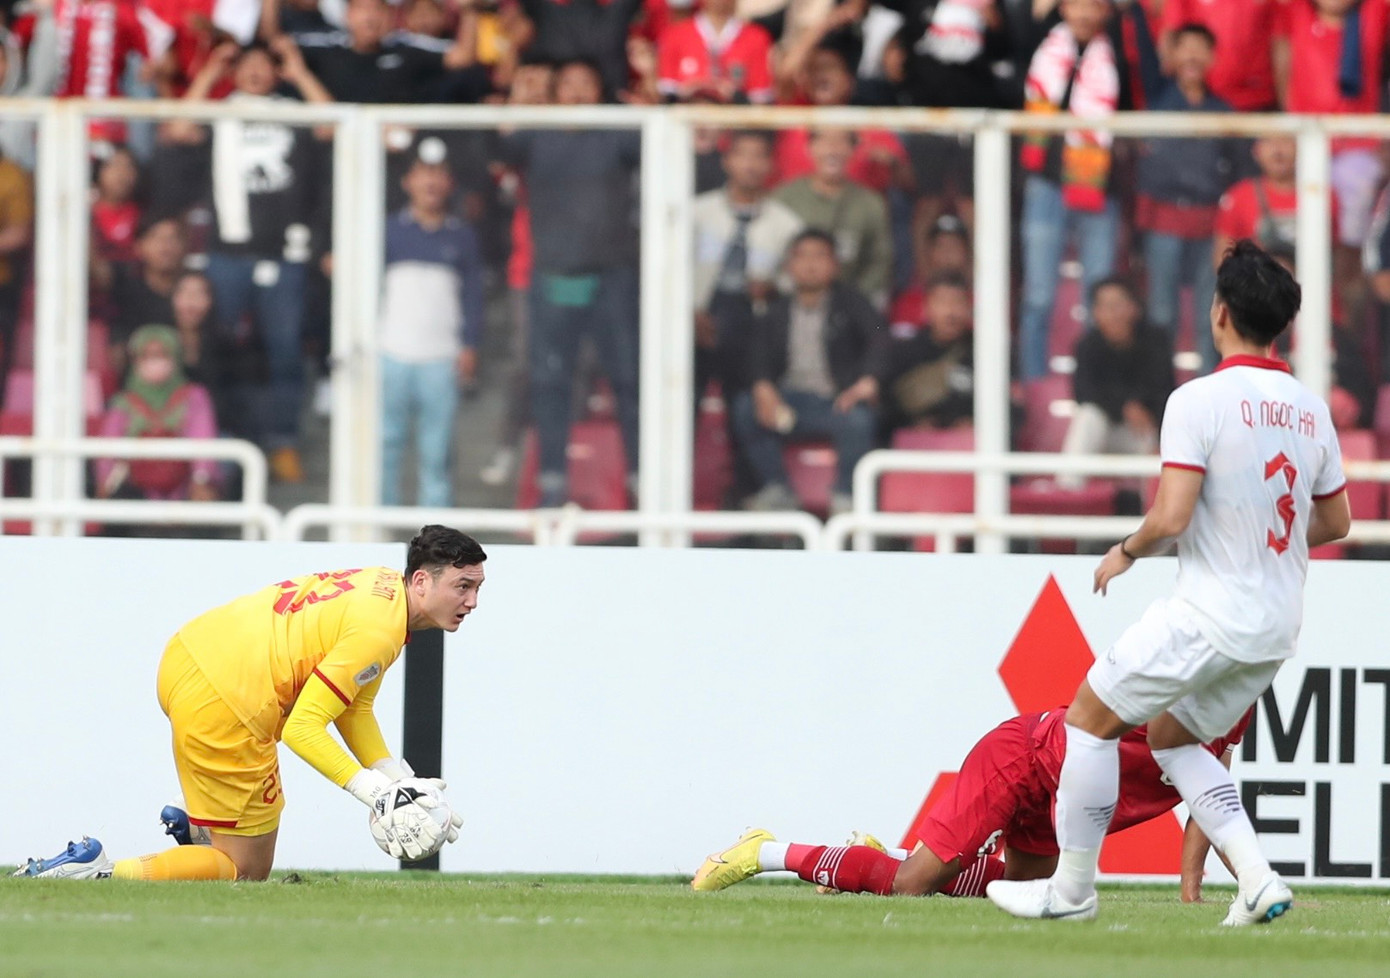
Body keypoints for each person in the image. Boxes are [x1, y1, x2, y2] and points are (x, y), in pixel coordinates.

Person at [987, 241, 1351, 925]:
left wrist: (1126, 549)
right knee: (1171, 739)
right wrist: (1257, 543)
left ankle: (1070, 891)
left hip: (1210, 613)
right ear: (1281, 324)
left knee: (1088, 721)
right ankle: (1258, 877)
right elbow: (1336, 521)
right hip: (1276, 625)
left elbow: (1172, 515)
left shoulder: (1198, 399)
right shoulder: (1310, 408)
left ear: (1218, 314)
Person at [13, 525, 485, 881]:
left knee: (238, 837)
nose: (473, 601)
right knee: (245, 870)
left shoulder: (382, 590)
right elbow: (303, 729)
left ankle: (195, 819)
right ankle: (98, 871)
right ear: (421, 581)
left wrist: (399, 780)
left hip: (188, 656)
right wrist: (376, 793)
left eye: (477, 587)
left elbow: (353, 707)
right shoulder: (381, 631)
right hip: (230, 701)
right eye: (462, 586)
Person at [692, 703, 1249, 900]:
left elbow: (1211, 799)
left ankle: (885, 855)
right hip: (1022, 762)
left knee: (1022, 894)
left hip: (1058, 799)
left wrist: (1191, 890)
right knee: (910, 886)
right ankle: (765, 850)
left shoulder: (1238, 703)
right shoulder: (1168, 683)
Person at [503, 58, 641, 507]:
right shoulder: (535, 136)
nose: (578, 92)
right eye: (569, 85)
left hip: (611, 277)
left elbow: (656, 145)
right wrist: (518, 104)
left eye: (587, 83)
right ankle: (551, 479)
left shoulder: (617, 136)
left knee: (627, 379)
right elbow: (499, 150)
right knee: (550, 380)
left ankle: (643, 474)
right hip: (556, 276)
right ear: (555, 93)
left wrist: (651, 96)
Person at [730, 229, 887, 514]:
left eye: (820, 256)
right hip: (788, 407)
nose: (811, 264)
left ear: (835, 265)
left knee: (860, 419)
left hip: (837, 404)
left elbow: (880, 339)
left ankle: (846, 496)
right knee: (744, 408)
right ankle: (777, 489)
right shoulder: (775, 311)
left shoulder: (853, 304)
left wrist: (868, 380)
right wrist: (762, 386)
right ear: (789, 266)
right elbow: (757, 355)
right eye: (802, 257)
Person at [1015, 0, 1121, 381]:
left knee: (1099, 295)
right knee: (1038, 295)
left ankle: (1096, 381)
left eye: (1094, 5)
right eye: (1077, 3)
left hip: (1100, 190)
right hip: (1045, 185)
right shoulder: (1041, 43)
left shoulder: (1117, 49)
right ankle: (1033, 384)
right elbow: (1021, 37)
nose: (1085, 12)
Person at [380, 137, 486, 509]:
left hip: (441, 358)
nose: (431, 183)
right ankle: (377, 531)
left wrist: (469, 345)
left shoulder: (462, 235)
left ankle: (436, 546)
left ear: (450, 184)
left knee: (436, 454)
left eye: (439, 175)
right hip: (389, 354)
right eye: (423, 174)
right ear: (407, 181)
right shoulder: (387, 231)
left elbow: (473, 295)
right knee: (383, 448)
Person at [1134, 22, 1232, 372]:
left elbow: (1235, 175)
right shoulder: (1155, 101)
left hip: (1209, 226)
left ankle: (1208, 400)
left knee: (1212, 316)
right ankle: (1161, 396)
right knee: (1162, 314)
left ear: (1212, 57)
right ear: (1171, 55)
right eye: (1183, 47)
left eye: (1199, 48)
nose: (1191, 55)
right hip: (1163, 222)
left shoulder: (1223, 111)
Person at [1058, 277, 1174, 488]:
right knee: (1088, 417)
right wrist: (1124, 406)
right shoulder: (1086, 345)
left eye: (1117, 305)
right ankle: (1067, 494)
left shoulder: (1156, 341)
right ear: (1094, 312)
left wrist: (1140, 412)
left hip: (1142, 433)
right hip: (1101, 431)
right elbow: (1083, 393)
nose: (1112, 313)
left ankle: (1150, 511)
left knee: (1152, 441)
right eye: (1104, 306)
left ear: (1134, 308)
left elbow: (1163, 390)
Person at [93, 324, 222, 511]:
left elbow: (203, 437)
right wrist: (105, 481)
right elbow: (108, 449)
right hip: (136, 492)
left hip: (185, 490)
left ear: (175, 358)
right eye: (146, 356)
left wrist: (201, 479)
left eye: (162, 354)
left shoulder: (194, 396)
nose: (154, 361)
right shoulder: (123, 403)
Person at [774, 128, 894, 308]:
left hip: (851, 304)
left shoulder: (871, 203)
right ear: (809, 147)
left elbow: (880, 261)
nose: (832, 149)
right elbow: (773, 256)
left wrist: (853, 301)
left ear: (854, 149)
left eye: (842, 141)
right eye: (824, 141)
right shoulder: (785, 198)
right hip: (792, 300)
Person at [877, 271, 974, 432]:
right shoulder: (905, 353)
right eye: (942, 302)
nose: (950, 312)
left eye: (957, 302)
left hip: (972, 448)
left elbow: (1010, 406)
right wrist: (914, 423)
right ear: (927, 307)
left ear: (968, 307)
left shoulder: (986, 353)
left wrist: (973, 422)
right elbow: (886, 408)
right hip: (916, 449)